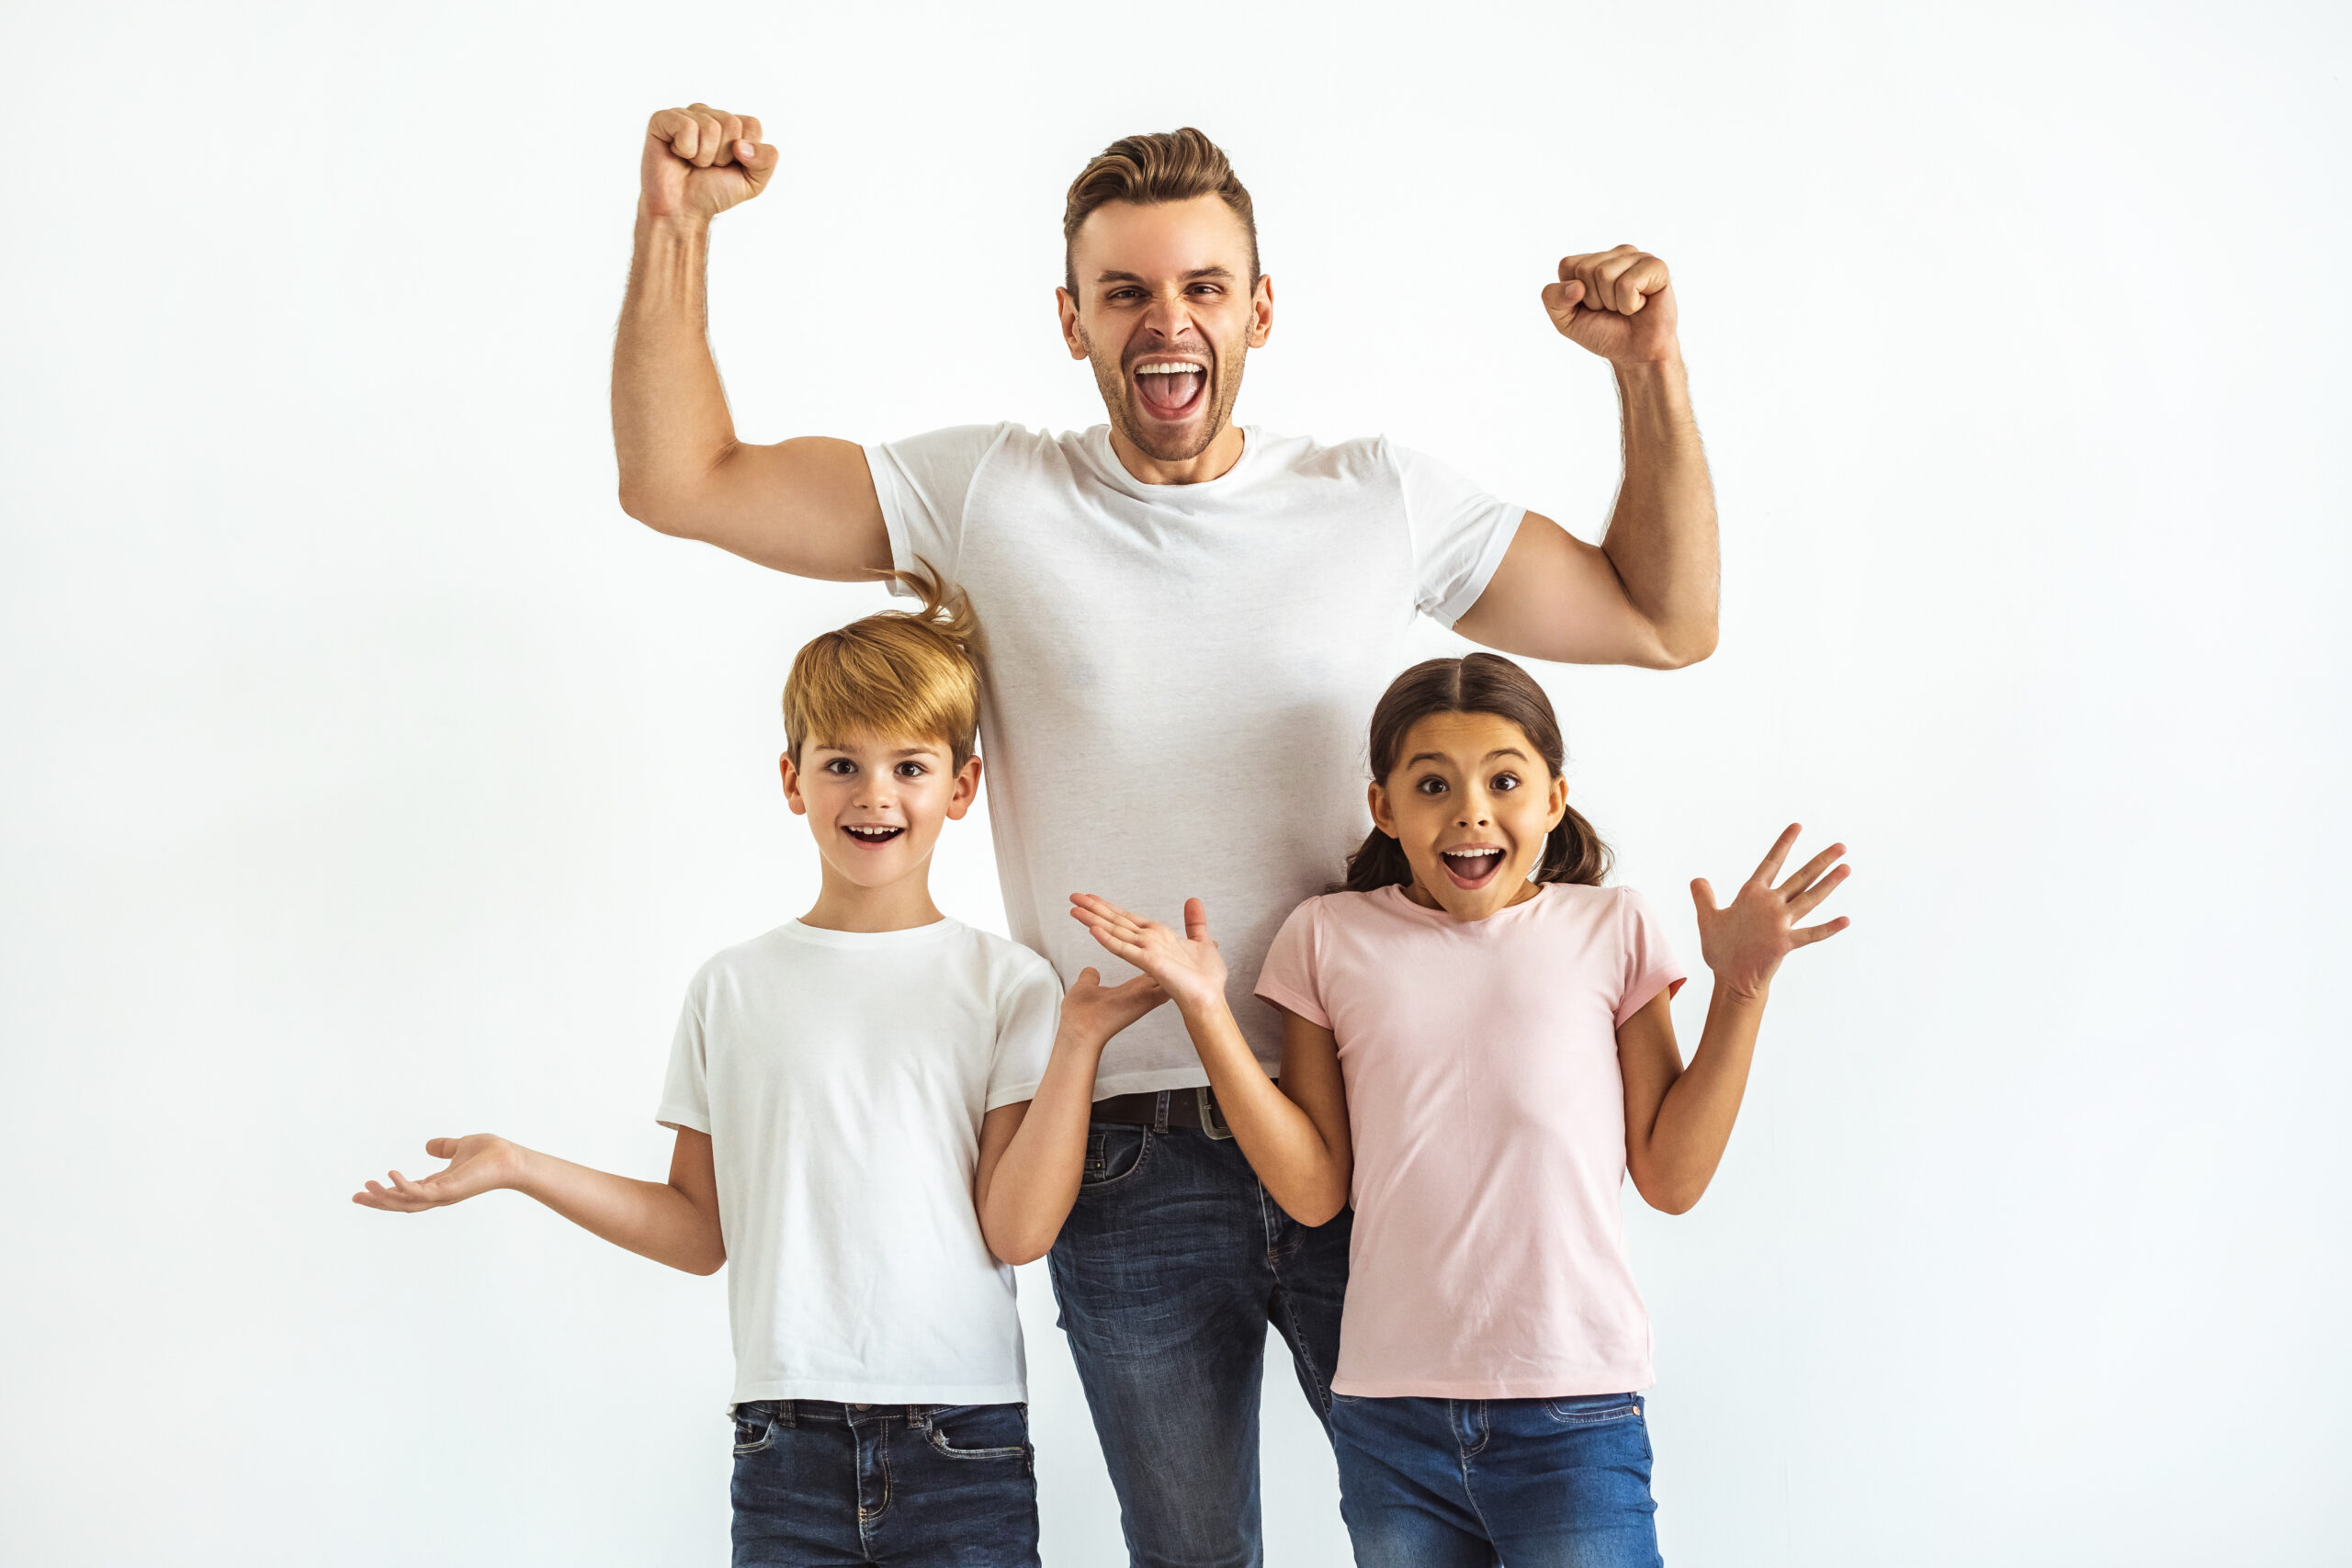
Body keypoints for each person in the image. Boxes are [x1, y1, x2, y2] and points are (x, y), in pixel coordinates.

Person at [613, 107, 1722, 1566]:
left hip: (1362, 1125)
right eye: (1126, 291)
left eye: (1203, 285)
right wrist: (675, 226)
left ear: (1259, 309)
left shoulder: (1373, 496)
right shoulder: (988, 491)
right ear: (1071, 321)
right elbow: (678, 478)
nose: (1166, 319)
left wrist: (1649, 374)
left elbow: (1662, 616)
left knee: (1467, 1531)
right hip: (1126, 1148)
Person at [351, 584, 1167, 1568]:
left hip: (962, 1437)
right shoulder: (730, 988)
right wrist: (522, 1165)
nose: (874, 794)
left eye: (909, 766)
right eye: (841, 764)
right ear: (792, 780)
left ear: (961, 785)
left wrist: (1077, 1047)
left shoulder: (1007, 983)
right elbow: (700, 1234)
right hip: (783, 1446)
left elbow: (1018, 1230)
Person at [1069, 651, 1850, 1566]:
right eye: (1432, 784)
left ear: (1553, 800)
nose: (1470, 810)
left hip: (1574, 1408)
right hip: (1388, 1421)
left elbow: (1671, 1177)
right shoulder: (1327, 938)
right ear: (1384, 808)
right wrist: (1206, 1009)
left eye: (1503, 780)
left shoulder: (1612, 929)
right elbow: (1315, 1190)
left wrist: (1742, 990)